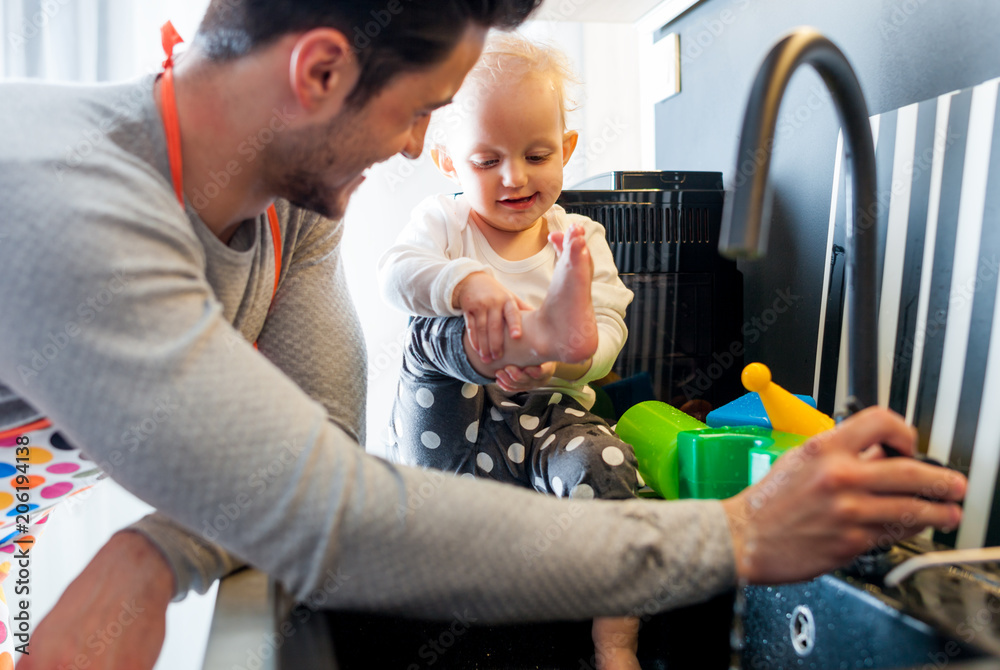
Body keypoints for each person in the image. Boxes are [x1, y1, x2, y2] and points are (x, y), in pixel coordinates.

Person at [0, 3, 964, 670]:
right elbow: (337, 519)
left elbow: (316, 455)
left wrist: (160, 551)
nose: (421, 148)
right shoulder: (71, 204)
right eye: (422, 109)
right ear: (322, 70)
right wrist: (739, 531)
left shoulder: (293, 214)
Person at [377, 35, 642, 669]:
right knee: (428, 338)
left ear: (567, 151)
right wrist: (465, 285)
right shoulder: (445, 223)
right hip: (455, 430)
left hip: (549, 419)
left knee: (609, 466)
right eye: (486, 160)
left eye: (537, 154)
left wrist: (563, 363)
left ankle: (616, 644)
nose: (514, 177)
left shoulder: (579, 238)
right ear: (449, 163)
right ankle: (510, 339)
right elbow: (395, 275)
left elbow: (608, 329)